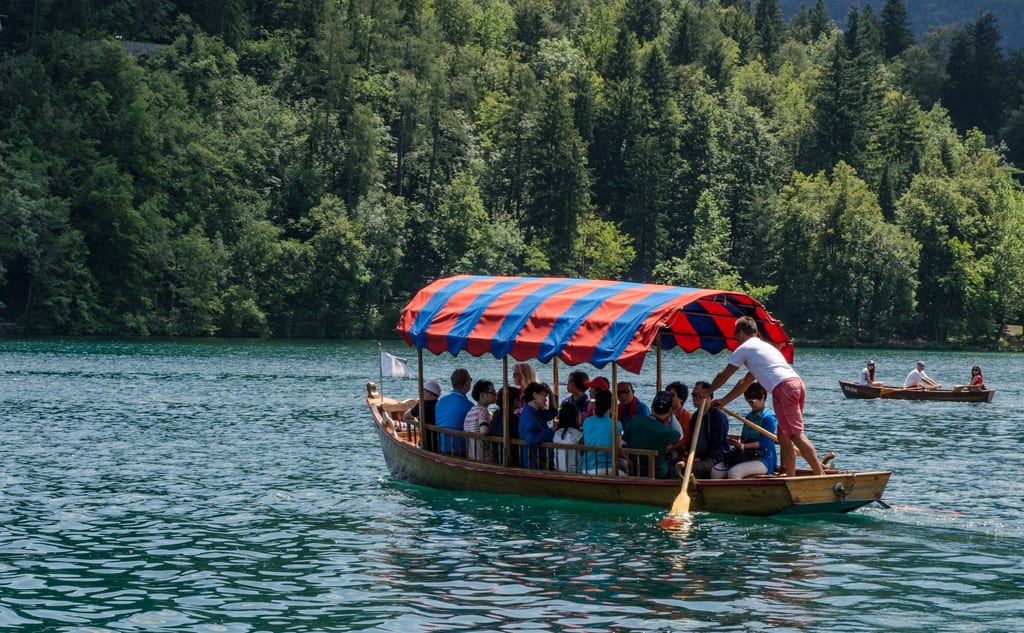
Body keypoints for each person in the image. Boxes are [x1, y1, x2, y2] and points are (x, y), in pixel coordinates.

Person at [709, 316, 825, 477]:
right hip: (796, 384)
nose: (735, 337)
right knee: (784, 436)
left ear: (742, 333)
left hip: (783, 389)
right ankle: (790, 476)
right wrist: (723, 401)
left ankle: (820, 476)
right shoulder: (763, 347)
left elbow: (724, 375)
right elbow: (745, 382)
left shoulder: (745, 348)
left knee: (795, 434)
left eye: (735, 333)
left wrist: (708, 391)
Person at [711, 382, 778, 480]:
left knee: (734, 473)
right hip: (745, 455)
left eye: (752, 401)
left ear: (762, 397)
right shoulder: (749, 417)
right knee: (716, 471)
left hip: (762, 458)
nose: (750, 405)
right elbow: (743, 438)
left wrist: (743, 446)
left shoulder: (768, 417)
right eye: (748, 401)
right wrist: (738, 443)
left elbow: (765, 443)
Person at [621, 391, 681, 479]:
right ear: (670, 410)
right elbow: (680, 435)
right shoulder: (666, 431)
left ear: (652, 406)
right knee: (676, 469)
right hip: (658, 473)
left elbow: (624, 441)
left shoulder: (635, 420)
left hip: (635, 471)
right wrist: (672, 415)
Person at [690, 381, 730, 478]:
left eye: (697, 395)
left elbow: (718, 446)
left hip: (715, 458)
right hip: (698, 456)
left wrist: (700, 458)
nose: (693, 398)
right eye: (693, 395)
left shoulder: (717, 417)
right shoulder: (695, 416)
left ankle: (696, 491)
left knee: (694, 468)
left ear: (707, 396)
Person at [581, 390, 624, 475]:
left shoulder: (587, 421)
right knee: (625, 470)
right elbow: (619, 450)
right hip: (606, 468)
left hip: (586, 468)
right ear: (611, 406)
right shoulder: (616, 424)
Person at [434, 368, 473, 455]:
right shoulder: (468, 405)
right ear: (467, 383)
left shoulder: (441, 401)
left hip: (443, 447)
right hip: (461, 450)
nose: (471, 382)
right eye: (470, 380)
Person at [519, 382, 555, 469]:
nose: (546, 399)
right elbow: (530, 439)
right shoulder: (529, 416)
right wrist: (550, 431)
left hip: (539, 461)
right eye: (544, 395)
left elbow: (553, 412)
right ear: (535, 395)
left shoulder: (537, 413)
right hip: (534, 463)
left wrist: (551, 395)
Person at [464, 380, 495, 462]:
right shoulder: (483, 410)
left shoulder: (471, 411)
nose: (495, 395)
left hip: (472, 455)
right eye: (492, 392)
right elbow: (484, 431)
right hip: (484, 457)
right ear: (482, 395)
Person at [490, 386, 520, 466]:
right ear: (514, 400)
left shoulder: (496, 415)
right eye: (518, 399)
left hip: (495, 454)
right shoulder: (512, 418)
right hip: (509, 456)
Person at [665, 381, 691, 467]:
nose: (668, 397)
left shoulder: (686, 416)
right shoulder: (663, 414)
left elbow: (685, 439)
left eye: (672, 395)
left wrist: (671, 447)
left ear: (681, 398)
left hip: (679, 453)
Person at [552, 402, 583, 473]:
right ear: (575, 417)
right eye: (579, 415)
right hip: (575, 470)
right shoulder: (576, 434)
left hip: (559, 469)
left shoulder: (557, 433)